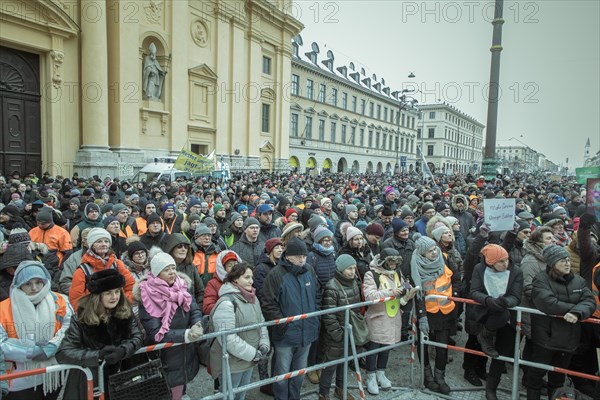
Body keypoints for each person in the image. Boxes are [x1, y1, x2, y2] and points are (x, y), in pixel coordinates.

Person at [55, 269, 142, 400]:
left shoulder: (126, 311)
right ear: (97, 296)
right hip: (91, 381)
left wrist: (123, 350)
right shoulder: (81, 318)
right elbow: (64, 352)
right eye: (108, 293)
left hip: (122, 378)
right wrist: (97, 355)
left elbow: (138, 336)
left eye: (117, 291)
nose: (114, 297)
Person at [525, 245, 595, 400]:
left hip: (569, 340)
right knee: (535, 377)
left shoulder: (578, 281)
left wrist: (577, 312)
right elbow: (547, 302)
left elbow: (590, 301)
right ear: (552, 262)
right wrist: (572, 310)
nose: (567, 263)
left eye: (568, 260)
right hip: (546, 338)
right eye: (563, 260)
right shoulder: (541, 279)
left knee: (557, 380)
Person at [0, 261, 73, 400]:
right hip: (19, 378)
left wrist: (52, 345)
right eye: (28, 283)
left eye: (38, 282)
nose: (34, 288)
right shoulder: (3, 308)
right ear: (19, 285)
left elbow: (69, 327)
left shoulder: (61, 300)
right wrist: (28, 352)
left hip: (52, 375)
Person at [136, 252, 203, 400]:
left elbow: (194, 309)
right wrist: (186, 335)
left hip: (184, 351)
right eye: (167, 269)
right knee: (168, 390)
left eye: (173, 267)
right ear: (157, 273)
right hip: (166, 356)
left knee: (180, 386)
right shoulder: (148, 295)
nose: (172, 272)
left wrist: (197, 323)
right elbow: (155, 332)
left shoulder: (181, 287)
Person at [261, 237, 320, 400]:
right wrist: (282, 326)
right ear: (287, 256)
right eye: (298, 256)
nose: (302, 259)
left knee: (299, 374)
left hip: (307, 332)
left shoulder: (309, 270)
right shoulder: (276, 275)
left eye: (304, 256)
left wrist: (315, 318)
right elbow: (267, 303)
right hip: (286, 336)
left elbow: (317, 295)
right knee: (282, 375)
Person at [468, 244, 523, 400]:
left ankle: (491, 388)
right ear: (490, 262)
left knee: (502, 353)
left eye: (506, 260)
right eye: (500, 262)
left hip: (507, 315)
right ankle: (485, 336)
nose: (504, 264)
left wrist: (505, 302)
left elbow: (516, 296)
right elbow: (474, 291)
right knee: (478, 345)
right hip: (485, 312)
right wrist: (487, 300)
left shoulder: (516, 271)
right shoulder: (480, 268)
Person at [209, 263, 270, 400]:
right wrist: (253, 353)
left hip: (250, 358)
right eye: (246, 277)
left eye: (251, 277)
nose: (251, 281)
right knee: (229, 396)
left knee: (241, 395)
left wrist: (264, 344)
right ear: (235, 279)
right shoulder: (226, 303)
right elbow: (227, 339)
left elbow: (262, 323)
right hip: (232, 363)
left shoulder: (253, 298)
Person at [363, 248, 418, 395]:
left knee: (386, 347)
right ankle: (370, 376)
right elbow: (369, 296)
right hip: (378, 317)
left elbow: (403, 288)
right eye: (391, 263)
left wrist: (408, 292)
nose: (393, 266)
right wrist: (391, 292)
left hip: (393, 316)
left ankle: (381, 373)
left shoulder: (397, 273)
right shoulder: (371, 274)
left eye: (396, 263)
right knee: (374, 348)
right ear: (384, 262)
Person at [411, 236, 459, 395]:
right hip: (426, 313)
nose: (434, 252)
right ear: (422, 253)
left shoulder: (445, 259)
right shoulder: (415, 266)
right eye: (429, 251)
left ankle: (440, 377)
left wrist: (455, 301)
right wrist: (422, 316)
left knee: (442, 348)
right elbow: (416, 294)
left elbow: (456, 279)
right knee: (423, 346)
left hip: (445, 312)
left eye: (434, 249)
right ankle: (428, 377)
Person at [318, 254, 363, 400]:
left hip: (350, 332)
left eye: (354, 268)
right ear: (341, 269)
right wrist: (338, 334)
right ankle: (323, 394)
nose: (352, 271)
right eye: (349, 268)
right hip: (336, 334)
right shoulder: (332, 286)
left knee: (344, 363)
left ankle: (340, 389)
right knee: (330, 365)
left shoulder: (354, 282)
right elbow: (329, 315)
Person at [68, 228, 135, 310]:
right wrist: (90, 313)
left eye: (106, 241)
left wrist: (122, 304)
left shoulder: (117, 264)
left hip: (117, 311)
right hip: (94, 314)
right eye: (99, 241)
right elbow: (76, 299)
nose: (104, 244)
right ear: (91, 245)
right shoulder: (83, 270)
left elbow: (130, 287)